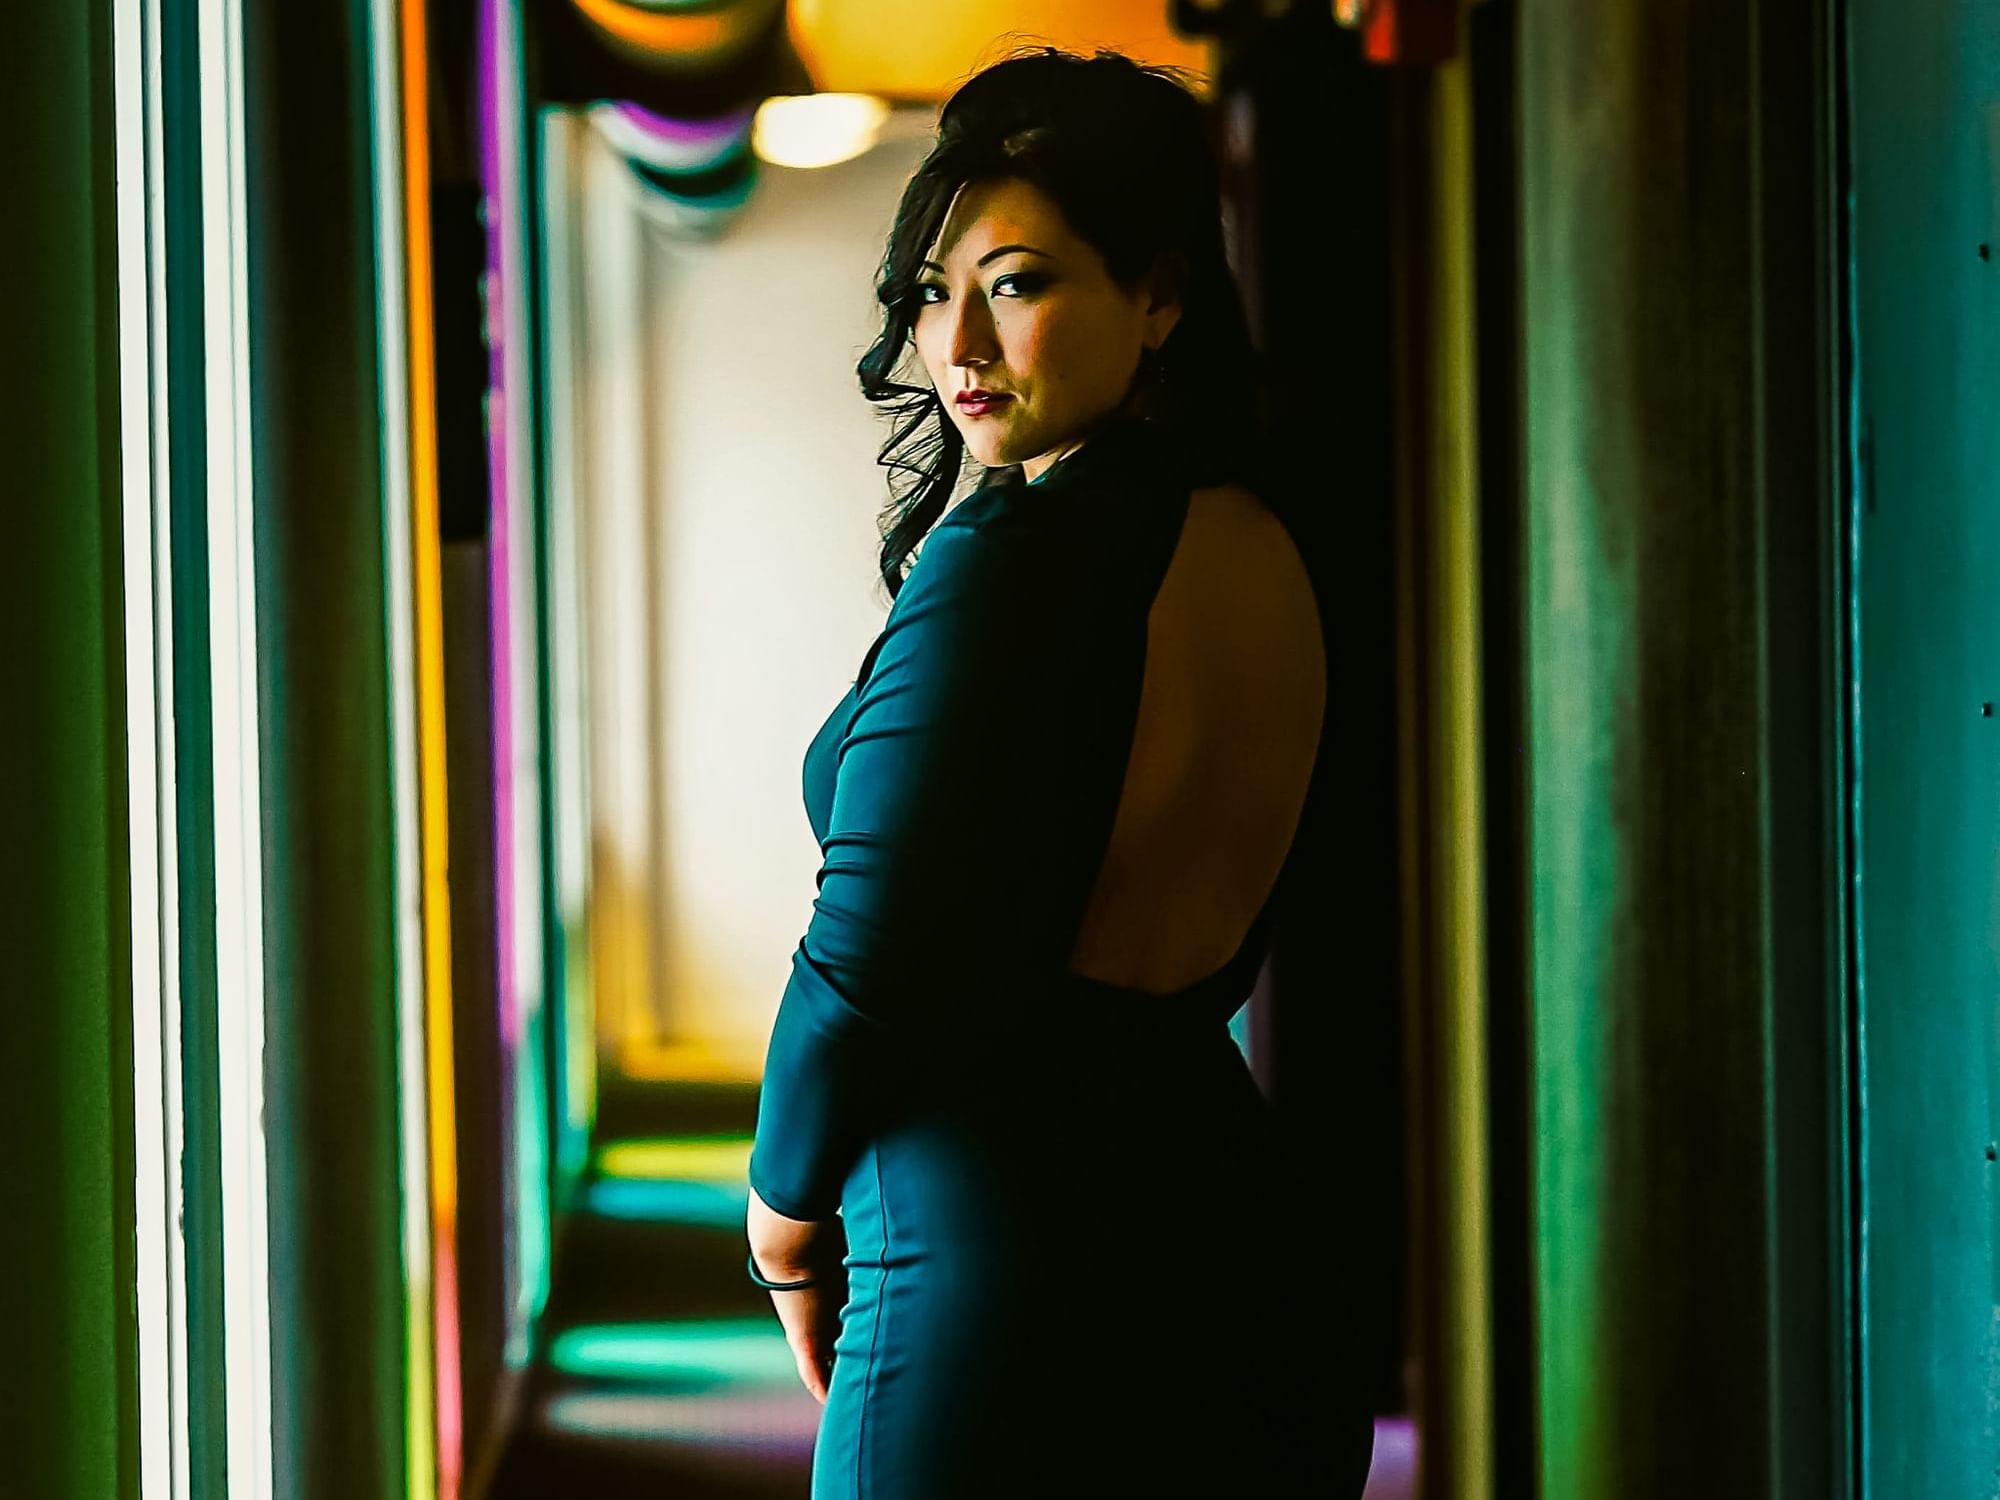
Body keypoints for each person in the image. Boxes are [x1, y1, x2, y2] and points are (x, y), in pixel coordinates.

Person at [743, 45, 1374, 1499]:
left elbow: (861, 967)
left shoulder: (1015, 561)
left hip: (1000, 1295)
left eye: (1017, 284)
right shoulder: (1269, 538)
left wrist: (781, 1224)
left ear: (1157, 296)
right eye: (930, 293)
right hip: (1237, 1248)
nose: (955, 345)